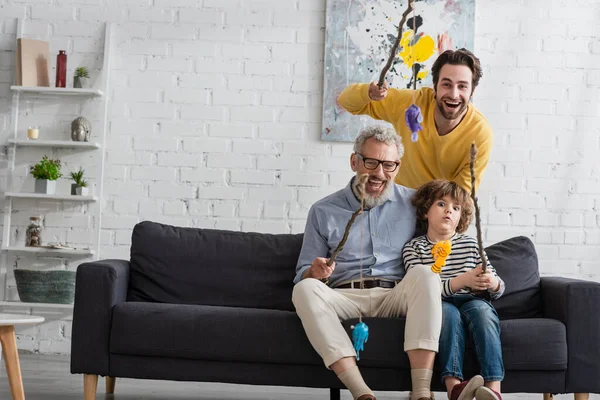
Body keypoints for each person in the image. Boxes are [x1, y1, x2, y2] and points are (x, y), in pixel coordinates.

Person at [292, 125, 442, 400]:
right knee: (303, 289)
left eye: (389, 164)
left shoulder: (414, 203)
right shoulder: (323, 210)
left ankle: (421, 392)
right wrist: (314, 272)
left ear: (397, 166)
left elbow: (436, 243)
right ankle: (361, 392)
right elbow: (302, 273)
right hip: (344, 296)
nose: (379, 173)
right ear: (354, 161)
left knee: (426, 275)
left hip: (394, 295)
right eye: (371, 162)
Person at [402, 180, 505, 400]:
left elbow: (498, 287)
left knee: (483, 313)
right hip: (438, 303)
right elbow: (420, 290)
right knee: (447, 315)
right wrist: (463, 279)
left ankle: (494, 388)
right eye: (441, 204)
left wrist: (492, 282)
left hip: (472, 299)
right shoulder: (414, 247)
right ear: (425, 212)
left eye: (456, 208)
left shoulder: (471, 245)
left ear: (460, 218)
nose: (449, 210)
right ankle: (455, 388)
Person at [337, 48, 493, 192]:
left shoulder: (480, 133)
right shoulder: (411, 104)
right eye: (446, 84)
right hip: (395, 202)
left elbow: (461, 195)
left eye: (462, 86)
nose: (453, 94)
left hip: (437, 211)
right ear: (435, 86)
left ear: (472, 90)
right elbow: (346, 101)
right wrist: (369, 93)